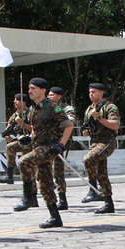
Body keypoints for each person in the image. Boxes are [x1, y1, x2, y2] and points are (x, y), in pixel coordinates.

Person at [18, 78, 75, 228]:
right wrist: (28, 138)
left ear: (42, 90)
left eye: (33, 88)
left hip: (49, 147)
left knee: (23, 161)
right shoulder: (33, 109)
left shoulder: (52, 107)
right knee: (45, 183)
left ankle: (29, 196)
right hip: (38, 146)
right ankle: (55, 217)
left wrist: (61, 144)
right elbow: (37, 131)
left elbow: (68, 125)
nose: (30, 91)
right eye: (29, 88)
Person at [81, 83, 120, 214]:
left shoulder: (109, 107)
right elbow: (86, 129)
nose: (91, 94)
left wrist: (99, 118)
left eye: (94, 92)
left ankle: (93, 190)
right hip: (94, 143)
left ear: (101, 93)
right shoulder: (89, 109)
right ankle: (109, 203)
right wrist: (86, 131)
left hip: (107, 142)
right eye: (90, 92)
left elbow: (115, 125)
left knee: (88, 159)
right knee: (102, 173)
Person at [48, 87, 77, 210]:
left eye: (52, 95)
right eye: (48, 95)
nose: (49, 97)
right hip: (47, 141)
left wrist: (61, 143)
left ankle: (62, 199)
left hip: (61, 141)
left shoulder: (66, 108)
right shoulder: (46, 107)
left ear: (59, 96)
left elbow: (70, 122)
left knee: (58, 169)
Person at [0, 94, 32, 189]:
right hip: (22, 142)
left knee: (30, 167)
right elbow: (8, 127)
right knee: (25, 167)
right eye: (14, 100)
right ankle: (10, 175)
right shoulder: (14, 116)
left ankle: (10, 174)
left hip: (32, 142)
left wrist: (22, 123)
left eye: (18, 100)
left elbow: (35, 129)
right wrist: (7, 136)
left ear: (24, 102)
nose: (15, 102)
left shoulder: (30, 113)